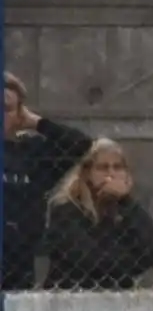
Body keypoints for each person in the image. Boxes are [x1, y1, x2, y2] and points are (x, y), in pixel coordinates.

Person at [42, 138, 153, 290]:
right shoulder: (66, 209)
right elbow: (92, 262)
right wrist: (138, 260)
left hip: (117, 295)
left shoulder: (124, 209)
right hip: (73, 296)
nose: (111, 174)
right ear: (87, 173)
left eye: (117, 167)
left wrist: (125, 200)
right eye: (103, 168)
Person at [4, 73, 91, 290]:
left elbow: (81, 144)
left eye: (5, 109)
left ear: (19, 114)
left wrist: (36, 122)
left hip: (18, 263)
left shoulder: (33, 153)